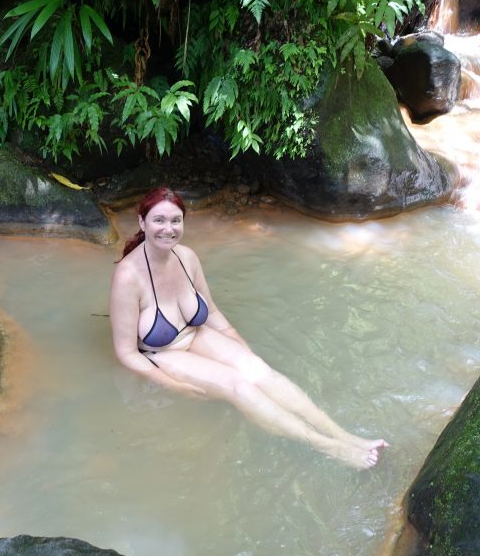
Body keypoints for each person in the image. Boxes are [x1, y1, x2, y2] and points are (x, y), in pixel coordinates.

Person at [109, 186, 388, 470]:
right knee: (238, 385)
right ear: (142, 223)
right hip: (163, 352)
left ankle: (344, 435)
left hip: (196, 335)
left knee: (256, 369)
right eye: (159, 220)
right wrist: (172, 385)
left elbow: (213, 312)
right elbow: (127, 353)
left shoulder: (187, 257)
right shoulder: (128, 277)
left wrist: (239, 344)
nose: (168, 229)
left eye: (175, 220)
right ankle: (328, 446)